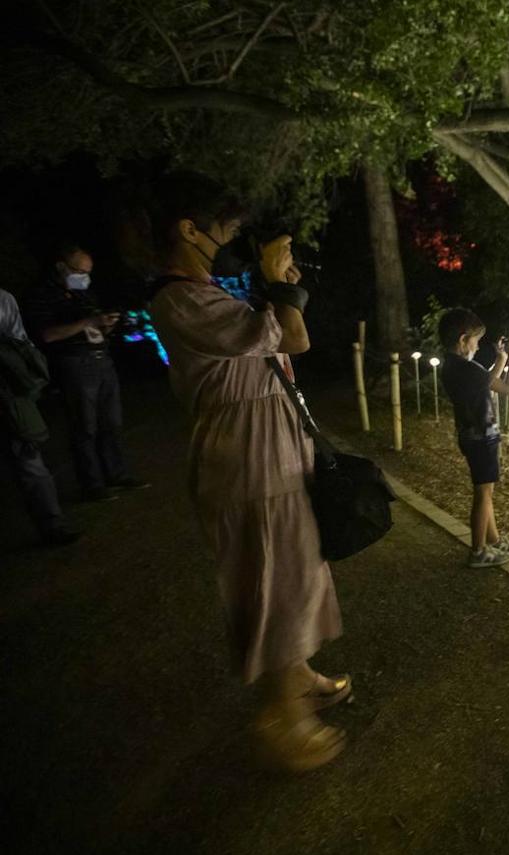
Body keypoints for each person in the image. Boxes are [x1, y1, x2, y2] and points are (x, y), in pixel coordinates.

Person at [146, 171, 348, 772]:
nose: (230, 238)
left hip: (273, 450)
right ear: (190, 230)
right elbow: (283, 336)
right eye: (225, 228)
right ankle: (282, 717)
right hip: (244, 459)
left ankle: (301, 676)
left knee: (297, 566)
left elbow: (294, 341)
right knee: (273, 576)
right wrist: (270, 286)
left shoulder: (211, 292)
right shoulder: (179, 297)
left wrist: (280, 285)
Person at [23, 244, 148, 501]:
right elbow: (46, 333)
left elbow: (94, 324)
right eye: (80, 271)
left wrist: (107, 325)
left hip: (101, 359)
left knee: (111, 422)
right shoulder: (41, 295)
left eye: (88, 272)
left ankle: (116, 474)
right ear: (61, 267)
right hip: (75, 364)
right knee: (84, 426)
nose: (85, 277)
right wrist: (88, 323)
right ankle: (92, 484)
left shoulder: (84, 293)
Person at [437, 307, 509, 568]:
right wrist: (508, 359)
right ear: (463, 340)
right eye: (475, 339)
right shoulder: (463, 368)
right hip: (480, 438)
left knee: (486, 490)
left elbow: (500, 385)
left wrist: (507, 358)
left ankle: (494, 541)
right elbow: (498, 385)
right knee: (483, 493)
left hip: (475, 436)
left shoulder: (458, 367)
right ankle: (478, 550)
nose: (477, 344)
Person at [0, 287, 80, 545]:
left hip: (8, 393)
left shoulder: (3, 299)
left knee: (29, 457)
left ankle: (52, 524)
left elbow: (21, 345)